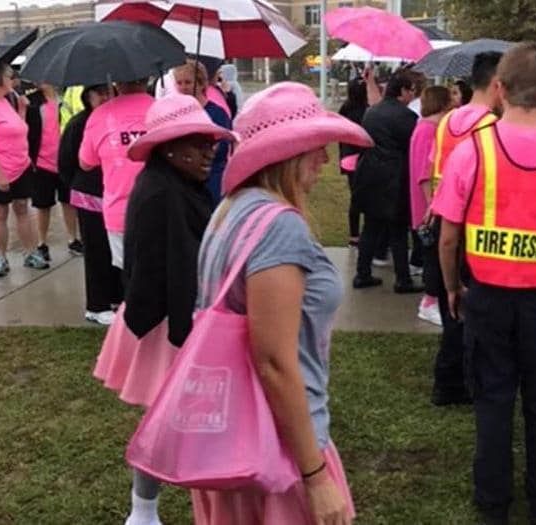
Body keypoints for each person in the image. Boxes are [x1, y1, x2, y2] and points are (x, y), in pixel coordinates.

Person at [190, 82, 372, 524]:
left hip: (233, 435)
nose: (325, 159)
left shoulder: (231, 208)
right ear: (286, 154)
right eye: (316, 147)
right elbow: (273, 360)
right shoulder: (278, 227)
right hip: (278, 452)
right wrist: (315, 475)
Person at [434, 43, 536, 525]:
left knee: (493, 402)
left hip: (486, 299)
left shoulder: (473, 151)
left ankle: (493, 504)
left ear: (499, 89)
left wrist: (451, 288)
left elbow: (447, 238)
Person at [93, 93, 235, 525]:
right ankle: (144, 510)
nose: (211, 150)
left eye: (212, 141)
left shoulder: (174, 183)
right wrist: (188, 336)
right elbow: (171, 270)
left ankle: (149, 508)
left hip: (170, 315)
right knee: (169, 420)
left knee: (176, 419)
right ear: (169, 147)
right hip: (167, 321)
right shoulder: (162, 193)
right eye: (198, 142)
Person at [427, 52, 502, 407]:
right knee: (470, 312)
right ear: (498, 85)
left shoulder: (448, 121)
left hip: (445, 219)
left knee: (449, 305)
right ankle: (464, 382)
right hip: (473, 226)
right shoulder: (490, 129)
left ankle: (447, 379)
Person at [353, 69, 424, 294]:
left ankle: (362, 273)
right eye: (411, 90)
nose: (413, 95)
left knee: (371, 227)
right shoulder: (407, 118)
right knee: (398, 231)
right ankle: (403, 279)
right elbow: (412, 148)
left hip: (370, 175)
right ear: (402, 91)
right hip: (395, 178)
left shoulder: (372, 112)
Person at [59, 84, 121, 325]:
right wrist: (79, 184)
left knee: (115, 249)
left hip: (114, 193)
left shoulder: (114, 119)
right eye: (100, 93)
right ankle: (97, 304)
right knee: (96, 251)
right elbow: (66, 163)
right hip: (90, 196)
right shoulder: (78, 124)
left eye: (109, 92)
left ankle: (116, 296)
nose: (106, 97)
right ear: (88, 97)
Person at [79, 79, 154, 271]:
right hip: (162, 207)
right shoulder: (163, 109)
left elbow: (86, 163)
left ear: (117, 83)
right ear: (147, 79)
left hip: (119, 211)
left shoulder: (99, 116)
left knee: (130, 276)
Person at [0, 62, 49, 277]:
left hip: (21, 165)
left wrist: (22, 110)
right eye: (9, 75)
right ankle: (1, 258)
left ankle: (30, 253)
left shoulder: (7, 101)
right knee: (0, 213)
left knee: (23, 208)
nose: (13, 78)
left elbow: (18, 130)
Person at [409, 85, 455, 327]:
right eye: (453, 96)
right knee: (433, 256)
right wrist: (432, 206)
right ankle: (429, 302)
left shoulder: (431, 128)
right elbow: (423, 173)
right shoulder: (427, 130)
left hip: (431, 203)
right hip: (429, 206)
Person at [27, 82, 82, 260]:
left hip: (64, 160)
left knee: (69, 202)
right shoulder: (32, 102)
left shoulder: (64, 97)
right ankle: (41, 243)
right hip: (41, 162)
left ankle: (73, 238)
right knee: (43, 205)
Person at [173, 60, 233, 204]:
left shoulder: (217, 114)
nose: (183, 87)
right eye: (179, 83)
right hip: (183, 184)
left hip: (211, 182)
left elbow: (221, 148)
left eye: (188, 82)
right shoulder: (176, 113)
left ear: (201, 84)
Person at [338, 78, 369, 247]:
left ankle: (354, 235)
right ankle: (365, 233)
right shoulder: (367, 111)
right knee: (367, 196)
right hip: (362, 158)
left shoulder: (345, 109)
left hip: (347, 158)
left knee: (354, 198)